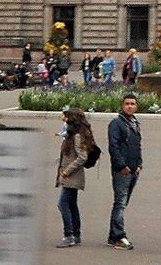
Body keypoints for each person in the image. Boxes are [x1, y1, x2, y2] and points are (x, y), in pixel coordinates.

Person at [53, 106, 94, 249]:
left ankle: (69, 235)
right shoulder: (72, 133)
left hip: (72, 176)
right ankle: (76, 235)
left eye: (66, 116)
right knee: (71, 204)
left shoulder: (77, 136)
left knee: (62, 204)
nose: (63, 118)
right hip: (71, 175)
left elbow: (82, 157)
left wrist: (67, 171)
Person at [107, 93, 143, 251]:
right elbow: (113, 146)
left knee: (122, 203)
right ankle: (119, 236)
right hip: (122, 170)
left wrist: (140, 164)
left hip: (134, 169)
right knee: (120, 203)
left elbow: (137, 145)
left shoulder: (134, 123)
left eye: (132, 103)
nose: (130, 106)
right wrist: (122, 165)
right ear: (122, 106)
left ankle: (113, 235)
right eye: (127, 103)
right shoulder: (116, 123)